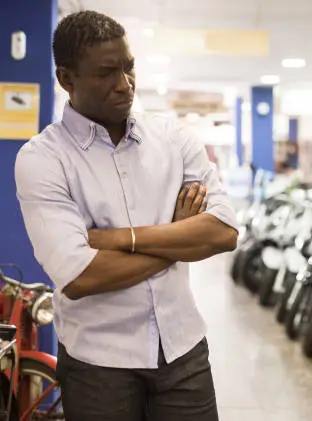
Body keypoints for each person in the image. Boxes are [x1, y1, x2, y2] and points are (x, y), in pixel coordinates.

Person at [14, 10, 238, 421]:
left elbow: (223, 232)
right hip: (98, 364)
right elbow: (81, 277)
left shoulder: (173, 138)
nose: (125, 84)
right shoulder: (43, 160)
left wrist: (120, 239)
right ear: (67, 79)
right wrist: (178, 239)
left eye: (129, 67)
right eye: (106, 73)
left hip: (183, 350)